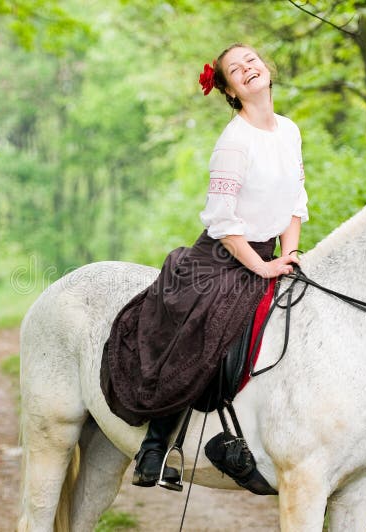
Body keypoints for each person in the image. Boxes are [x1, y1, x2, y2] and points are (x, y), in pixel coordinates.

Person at [100, 43, 309, 488]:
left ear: (266, 67)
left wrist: (288, 255)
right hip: (222, 256)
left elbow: (295, 202)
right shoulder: (234, 142)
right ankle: (157, 446)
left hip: (270, 252)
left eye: (251, 60)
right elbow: (223, 221)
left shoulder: (289, 130)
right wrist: (263, 269)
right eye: (236, 69)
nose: (248, 69)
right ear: (230, 89)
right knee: (201, 328)